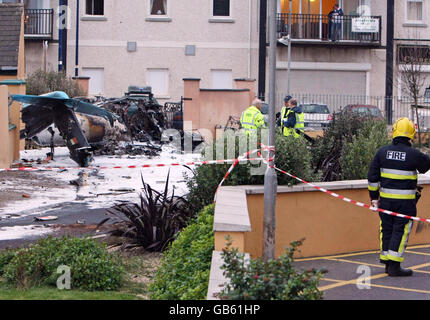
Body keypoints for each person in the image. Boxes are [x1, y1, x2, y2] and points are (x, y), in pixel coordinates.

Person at [367, 117, 430, 277]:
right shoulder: (413, 154)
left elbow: (372, 177)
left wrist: (374, 199)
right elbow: (425, 166)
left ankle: (387, 262)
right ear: (411, 134)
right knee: (400, 232)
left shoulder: (382, 152)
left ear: (394, 131)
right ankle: (395, 266)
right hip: (405, 203)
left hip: (385, 202)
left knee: (386, 228)